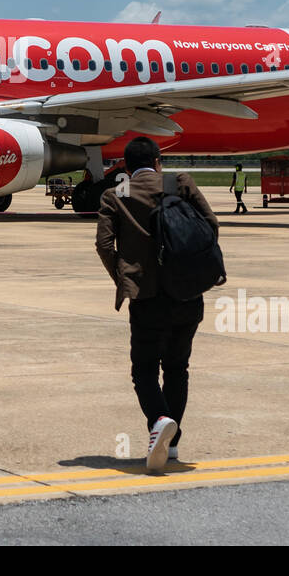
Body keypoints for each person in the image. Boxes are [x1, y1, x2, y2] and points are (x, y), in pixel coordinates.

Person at [96, 137, 219, 472]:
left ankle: (159, 420)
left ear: (126, 165)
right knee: (178, 368)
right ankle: (173, 443)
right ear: (158, 161)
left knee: (145, 369)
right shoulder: (180, 183)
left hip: (147, 296)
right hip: (187, 293)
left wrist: (125, 278)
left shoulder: (115, 194)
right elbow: (211, 226)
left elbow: (104, 245)